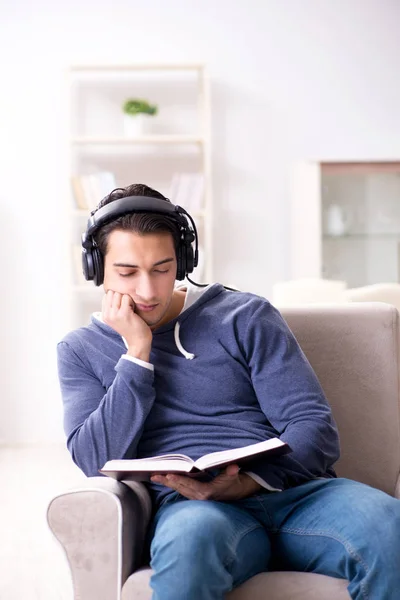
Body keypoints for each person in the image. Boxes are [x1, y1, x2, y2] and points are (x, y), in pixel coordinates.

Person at [57, 183, 400, 600]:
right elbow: (95, 459)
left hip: (298, 496)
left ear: (183, 260)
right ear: (97, 269)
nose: (148, 291)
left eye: (163, 269)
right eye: (128, 273)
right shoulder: (79, 350)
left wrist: (249, 482)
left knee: (387, 525)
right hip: (196, 510)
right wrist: (137, 354)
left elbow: (313, 427)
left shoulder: (244, 315)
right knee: (189, 548)